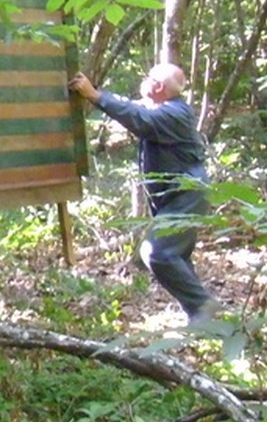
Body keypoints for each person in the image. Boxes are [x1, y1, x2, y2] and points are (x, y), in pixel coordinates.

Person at [69, 62, 218, 325]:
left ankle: (204, 308)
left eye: (147, 78)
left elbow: (139, 118)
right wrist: (97, 95)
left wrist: (95, 96)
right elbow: (132, 106)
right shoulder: (162, 107)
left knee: (157, 253)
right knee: (177, 256)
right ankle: (204, 319)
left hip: (188, 195)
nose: (143, 81)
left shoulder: (174, 113)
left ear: (159, 87)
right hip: (179, 195)